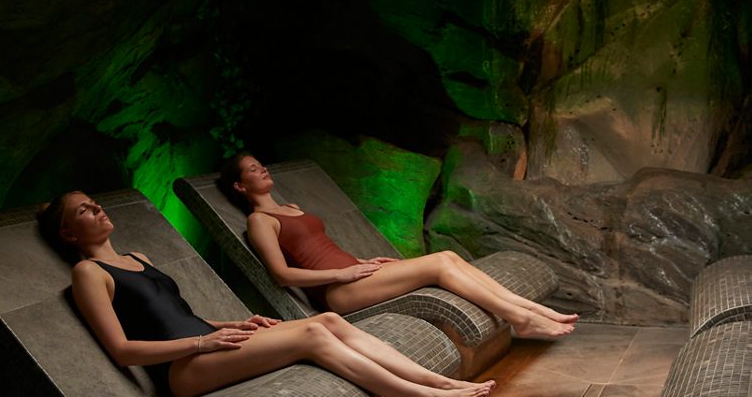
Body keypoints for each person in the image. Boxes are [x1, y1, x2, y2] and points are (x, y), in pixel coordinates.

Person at [37, 191, 495, 397]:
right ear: (68, 235)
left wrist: (232, 323)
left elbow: (171, 316)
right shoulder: (89, 274)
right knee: (314, 334)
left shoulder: (139, 258)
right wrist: (203, 341)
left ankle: (436, 382)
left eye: (94, 203)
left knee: (329, 319)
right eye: (83, 211)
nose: (97, 209)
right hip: (182, 371)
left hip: (208, 345)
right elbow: (122, 349)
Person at [220, 154, 578, 340]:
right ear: (240, 186)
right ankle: (520, 320)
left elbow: (319, 247)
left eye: (261, 164)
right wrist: (342, 272)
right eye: (253, 169)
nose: (263, 169)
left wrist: (360, 261)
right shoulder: (259, 221)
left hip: (354, 272)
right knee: (439, 264)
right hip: (336, 291)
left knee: (449, 256)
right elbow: (282, 275)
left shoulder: (292, 209)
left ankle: (532, 310)